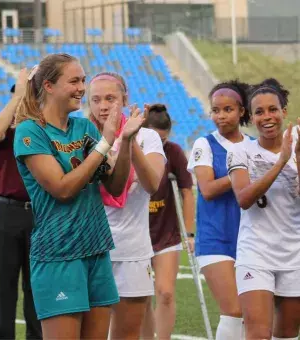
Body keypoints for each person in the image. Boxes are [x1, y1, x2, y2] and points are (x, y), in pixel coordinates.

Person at [13, 54, 144, 340]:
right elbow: (62, 189)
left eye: (83, 80)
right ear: (48, 86)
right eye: (74, 81)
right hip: (58, 254)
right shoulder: (30, 131)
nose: (82, 88)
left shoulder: (83, 128)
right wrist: (106, 142)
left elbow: (114, 185)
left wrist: (126, 142)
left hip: (96, 248)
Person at [88, 72, 166, 340]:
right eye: (96, 99)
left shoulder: (147, 137)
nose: (103, 106)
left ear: (125, 98)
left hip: (131, 250)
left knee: (126, 335)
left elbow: (152, 184)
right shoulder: (79, 137)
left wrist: (128, 140)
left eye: (111, 98)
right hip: (89, 251)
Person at [228, 78, 300, 340]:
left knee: (288, 335)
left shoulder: (299, 145)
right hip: (255, 252)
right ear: (251, 116)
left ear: (284, 112)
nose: (267, 117)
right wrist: (281, 162)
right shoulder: (240, 151)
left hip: (294, 253)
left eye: (273, 109)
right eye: (259, 111)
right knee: (258, 334)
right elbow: (244, 198)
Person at [187, 80, 252, 339]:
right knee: (234, 310)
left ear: (242, 111)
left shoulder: (253, 144)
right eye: (216, 110)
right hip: (215, 239)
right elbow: (207, 189)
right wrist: (240, 171)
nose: (221, 116)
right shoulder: (205, 144)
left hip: (250, 239)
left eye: (228, 109)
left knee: (252, 313)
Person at [0, 68, 42, 340]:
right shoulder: (7, 132)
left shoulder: (42, 131)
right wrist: (17, 96)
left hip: (40, 214)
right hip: (7, 211)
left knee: (37, 288)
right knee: (3, 286)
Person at [139, 103, 195, 339]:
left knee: (165, 293)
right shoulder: (132, 148)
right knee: (140, 298)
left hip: (166, 232)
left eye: (162, 140)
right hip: (137, 233)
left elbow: (187, 192)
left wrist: (189, 234)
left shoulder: (174, 152)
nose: (159, 145)